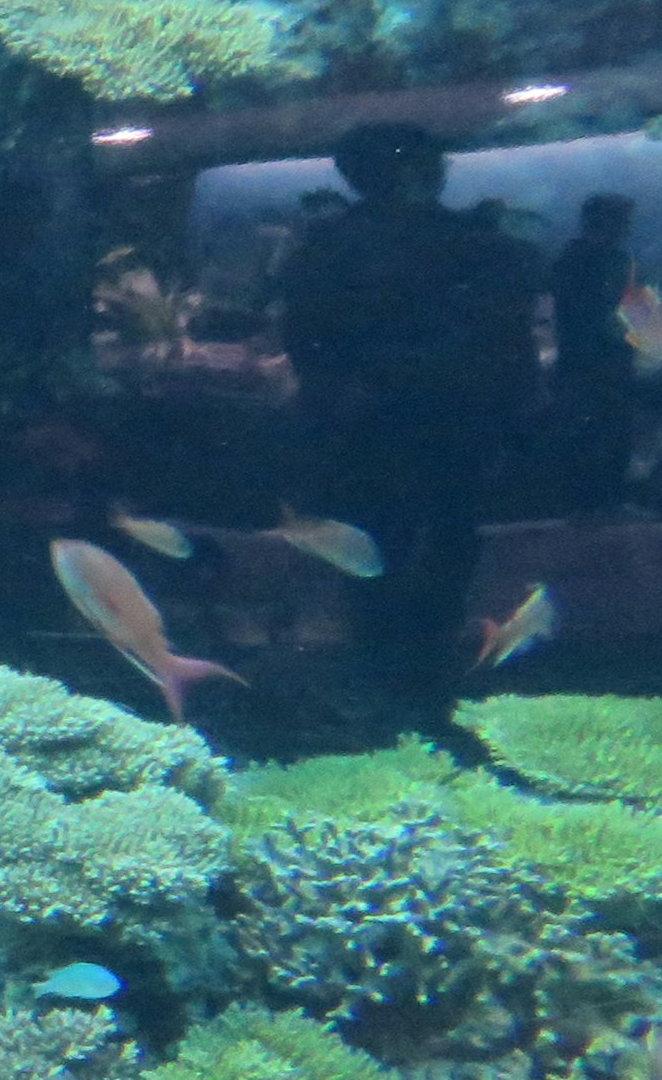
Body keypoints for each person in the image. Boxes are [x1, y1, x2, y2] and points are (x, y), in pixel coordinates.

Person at [274, 122, 543, 680]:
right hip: (442, 418)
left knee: (385, 544)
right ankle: (420, 649)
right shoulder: (482, 245)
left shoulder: (322, 248)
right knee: (437, 533)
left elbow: (306, 340)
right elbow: (509, 340)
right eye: (425, 162)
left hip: (377, 422)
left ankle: (390, 653)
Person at [542, 191, 640, 512]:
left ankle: (588, 502)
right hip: (598, 362)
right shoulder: (606, 260)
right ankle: (604, 501)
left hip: (581, 361)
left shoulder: (569, 259)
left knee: (589, 432)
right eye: (623, 221)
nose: (627, 229)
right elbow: (604, 313)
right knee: (604, 431)